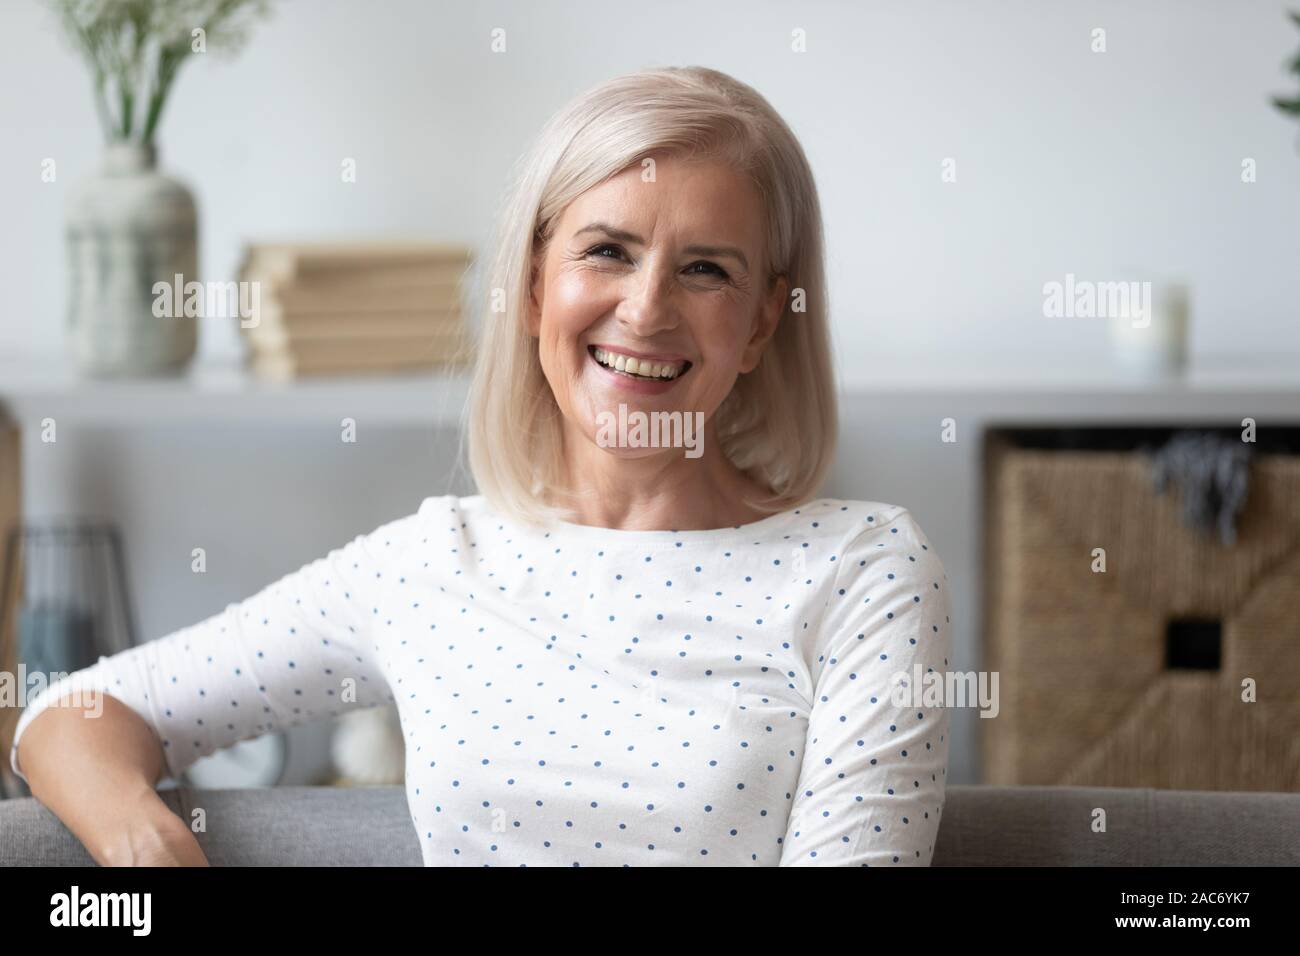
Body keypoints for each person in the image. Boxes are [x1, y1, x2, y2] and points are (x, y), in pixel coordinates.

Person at [11, 65, 952, 866]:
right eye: (608, 252)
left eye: (706, 269)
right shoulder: (428, 565)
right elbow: (72, 718)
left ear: (758, 323)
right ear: (537, 287)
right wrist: (141, 840)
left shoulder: (865, 571)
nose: (647, 309)